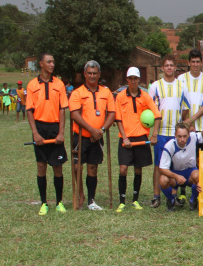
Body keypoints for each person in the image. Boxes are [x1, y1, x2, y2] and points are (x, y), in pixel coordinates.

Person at [68, 60, 116, 210]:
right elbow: (75, 114)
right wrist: (91, 129)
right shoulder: (77, 93)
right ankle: (80, 194)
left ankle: (91, 200)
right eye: (89, 73)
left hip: (98, 136)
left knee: (92, 168)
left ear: (99, 74)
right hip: (80, 136)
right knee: (77, 167)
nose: (92, 76)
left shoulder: (106, 92)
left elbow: (112, 113)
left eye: (95, 73)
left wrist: (100, 131)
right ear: (85, 74)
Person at [114, 67, 161, 213]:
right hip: (126, 139)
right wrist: (125, 137)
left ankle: (135, 199)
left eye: (135, 78)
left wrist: (154, 135)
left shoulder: (145, 96)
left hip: (141, 137)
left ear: (139, 79)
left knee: (138, 169)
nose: (133, 81)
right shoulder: (121, 96)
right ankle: (122, 201)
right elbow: (118, 119)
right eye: (130, 78)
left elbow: (157, 115)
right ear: (127, 79)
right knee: (123, 169)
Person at [26, 53, 68, 215]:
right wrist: (35, 133)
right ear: (41, 64)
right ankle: (44, 203)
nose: (52, 64)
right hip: (40, 127)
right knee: (41, 165)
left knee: (58, 167)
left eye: (53, 62)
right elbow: (30, 111)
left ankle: (59, 202)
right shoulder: (32, 85)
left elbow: (62, 110)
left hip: (55, 127)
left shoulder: (59, 84)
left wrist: (61, 133)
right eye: (49, 62)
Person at [147, 56, 189, 208]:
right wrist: (155, 133)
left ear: (175, 67)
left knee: (174, 166)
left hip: (175, 134)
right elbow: (150, 109)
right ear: (162, 68)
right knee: (159, 166)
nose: (169, 68)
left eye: (172, 65)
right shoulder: (155, 86)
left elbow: (185, 110)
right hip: (161, 133)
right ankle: (156, 196)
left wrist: (179, 126)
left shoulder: (181, 85)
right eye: (167, 65)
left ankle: (173, 196)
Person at [159, 122, 203, 211]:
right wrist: (176, 176)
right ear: (175, 135)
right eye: (179, 136)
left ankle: (193, 199)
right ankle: (171, 200)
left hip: (190, 172)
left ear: (189, 135)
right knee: (163, 180)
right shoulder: (169, 146)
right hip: (175, 174)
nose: (182, 139)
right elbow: (162, 168)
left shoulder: (194, 137)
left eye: (185, 136)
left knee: (199, 176)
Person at [179, 49, 203, 133]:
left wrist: (191, 119)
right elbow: (179, 103)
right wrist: (187, 122)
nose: (195, 64)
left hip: (201, 127)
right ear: (188, 63)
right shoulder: (181, 79)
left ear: (201, 63)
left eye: (197, 62)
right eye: (193, 62)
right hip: (184, 127)